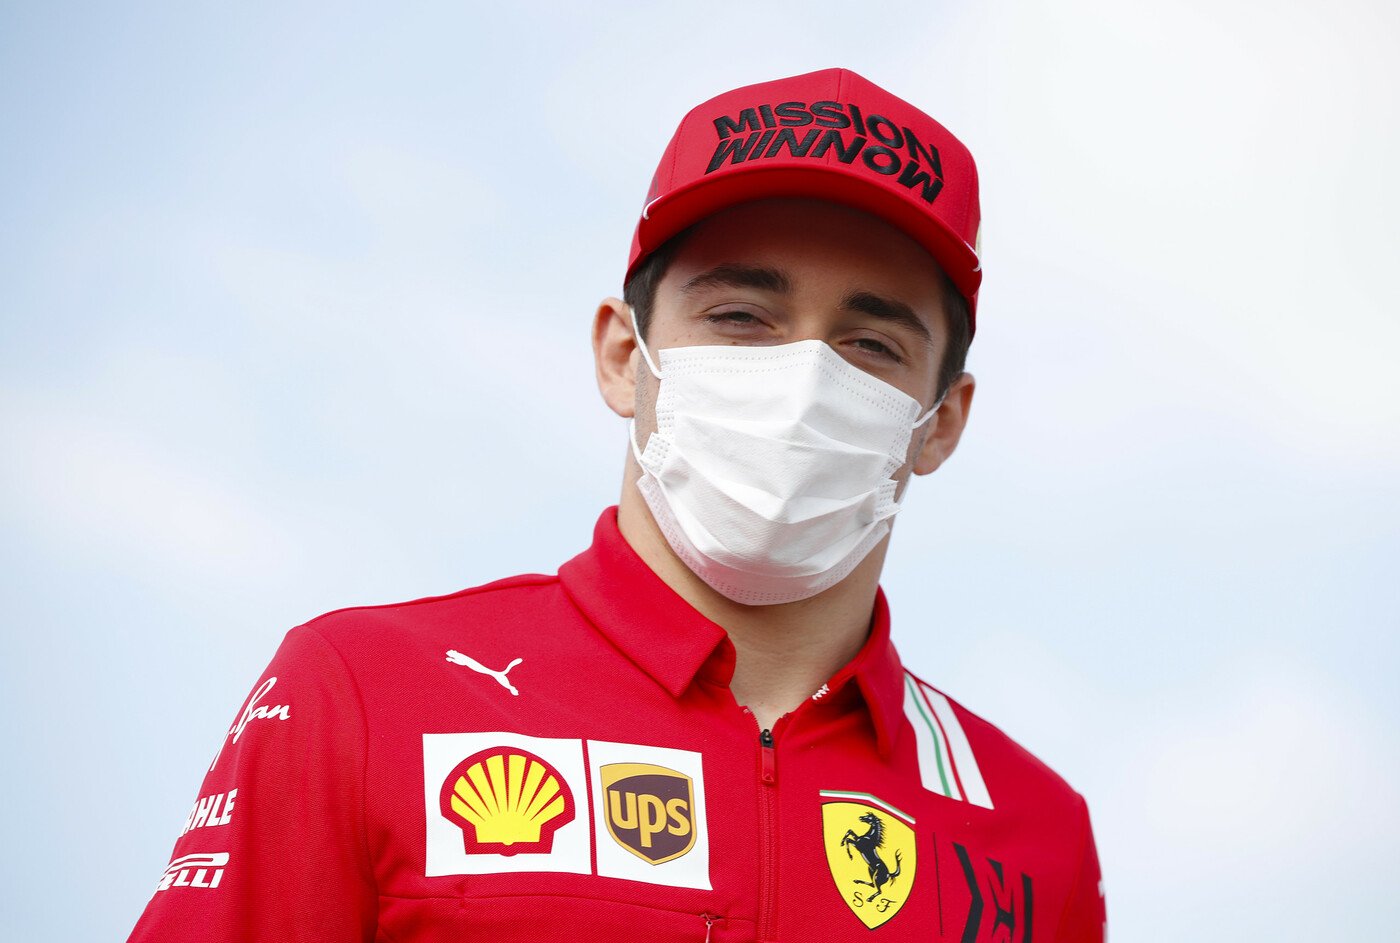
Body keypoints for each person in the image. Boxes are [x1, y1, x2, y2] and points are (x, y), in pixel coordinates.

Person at [128, 68, 1106, 943]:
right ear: (620, 356)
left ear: (940, 421)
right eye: (740, 317)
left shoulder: (1039, 833)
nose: (803, 379)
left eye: (870, 345)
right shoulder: (362, 693)